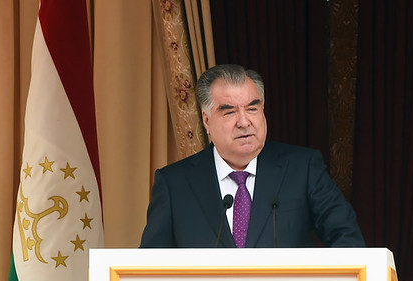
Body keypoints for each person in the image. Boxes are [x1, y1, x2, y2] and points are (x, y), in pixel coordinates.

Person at [140, 64, 365, 248]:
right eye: (230, 112)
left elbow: (348, 240)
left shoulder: (302, 170)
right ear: (206, 120)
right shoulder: (174, 184)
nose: (244, 121)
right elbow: (149, 267)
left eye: (252, 109)